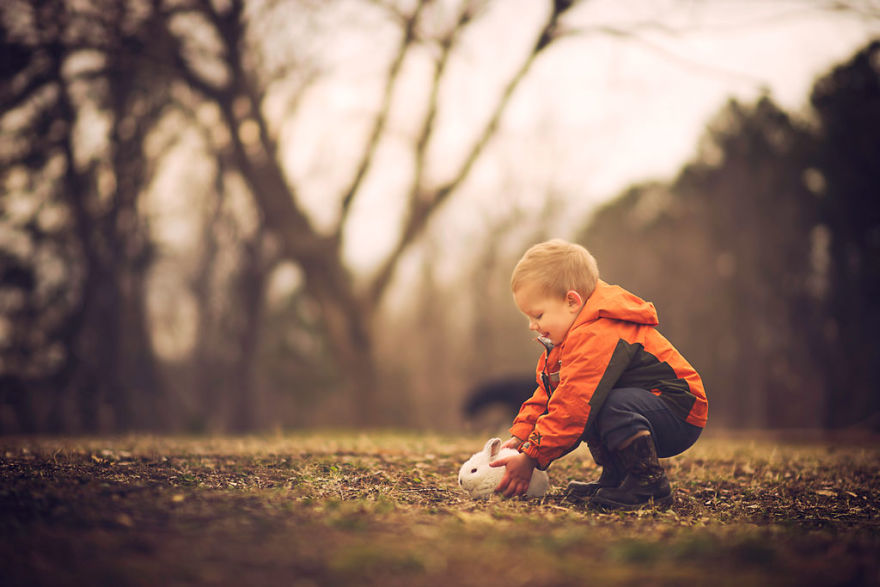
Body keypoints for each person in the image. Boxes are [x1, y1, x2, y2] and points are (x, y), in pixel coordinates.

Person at [490, 239, 707, 509]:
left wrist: (531, 457)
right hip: (648, 406)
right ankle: (617, 478)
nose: (532, 326)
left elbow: (572, 404)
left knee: (598, 403)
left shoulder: (597, 332)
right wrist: (522, 436)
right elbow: (549, 393)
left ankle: (648, 483)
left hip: (679, 409)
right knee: (599, 402)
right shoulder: (566, 342)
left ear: (572, 301)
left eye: (538, 315)